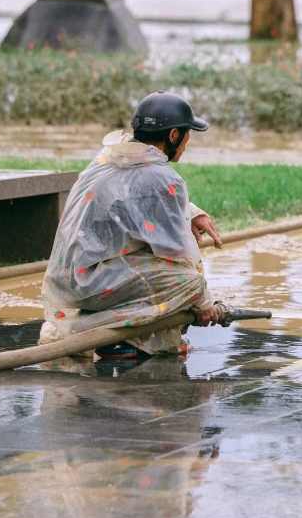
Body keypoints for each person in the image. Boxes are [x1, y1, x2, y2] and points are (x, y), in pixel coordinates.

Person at [38, 90, 226, 360]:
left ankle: (125, 336)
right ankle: (87, 334)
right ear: (173, 136)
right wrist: (203, 303)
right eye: (186, 133)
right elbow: (177, 252)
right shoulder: (162, 178)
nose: (187, 141)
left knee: (162, 272)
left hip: (70, 278)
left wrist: (191, 212)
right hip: (92, 283)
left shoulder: (108, 159)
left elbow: (135, 197)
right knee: (189, 283)